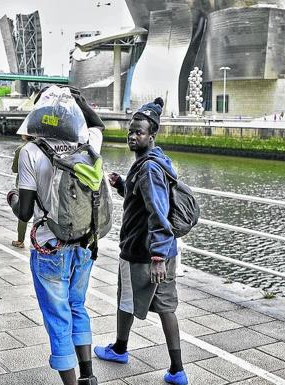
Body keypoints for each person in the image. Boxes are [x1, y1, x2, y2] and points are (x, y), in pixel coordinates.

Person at [9, 86, 104, 385]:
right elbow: (98, 124)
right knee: (77, 306)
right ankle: (88, 375)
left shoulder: (30, 152)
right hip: (85, 243)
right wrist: (79, 100)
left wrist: (12, 197)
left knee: (57, 315)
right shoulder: (88, 142)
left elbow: (24, 212)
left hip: (50, 246)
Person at [94, 98, 188, 385]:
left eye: (139, 132)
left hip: (142, 251)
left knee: (126, 300)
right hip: (161, 249)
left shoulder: (148, 168)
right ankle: (177, 370)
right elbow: (145, 201)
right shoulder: (157, 161)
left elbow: (157, 212)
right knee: (166, 307)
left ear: (152, 135)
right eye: (130, 131)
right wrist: (123, 185)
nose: (133, 136)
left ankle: (120, 349)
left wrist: (157, 257)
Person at [11, 135, 32, 248]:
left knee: (23, 211)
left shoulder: (21, 149)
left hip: (25, 184)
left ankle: (20, 240)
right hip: (41, 183)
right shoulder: (43, 147)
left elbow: (14, 169)